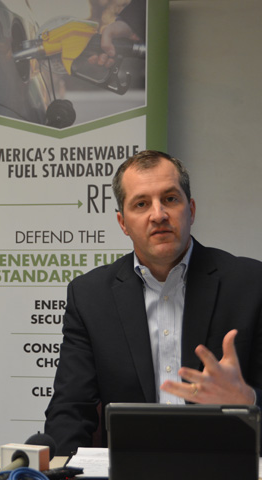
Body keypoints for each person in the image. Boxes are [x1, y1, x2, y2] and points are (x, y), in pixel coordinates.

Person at [44, 150, 262, 455]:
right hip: (130, 468)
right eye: (141, 204)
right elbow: (70, 409)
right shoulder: (90, 296)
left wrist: (248, 400)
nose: (158, 214)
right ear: (123, 222)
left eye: (170, 199)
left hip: (225, 466)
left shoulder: (251, 284)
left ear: (191, 210)